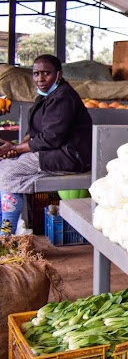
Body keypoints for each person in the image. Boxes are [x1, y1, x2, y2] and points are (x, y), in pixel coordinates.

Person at [0, 54, 92, 235]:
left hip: (70, 156)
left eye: (46, 73)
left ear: (59, 74)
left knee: (9, 174)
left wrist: (16, 149)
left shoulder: (63, 97)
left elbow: (50, 138)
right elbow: (34, 132)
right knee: (3, 166)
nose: (40, 79)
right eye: (36, 74)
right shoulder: (45, 96)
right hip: (53, 151)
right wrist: (16, 148)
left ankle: (6, 236)